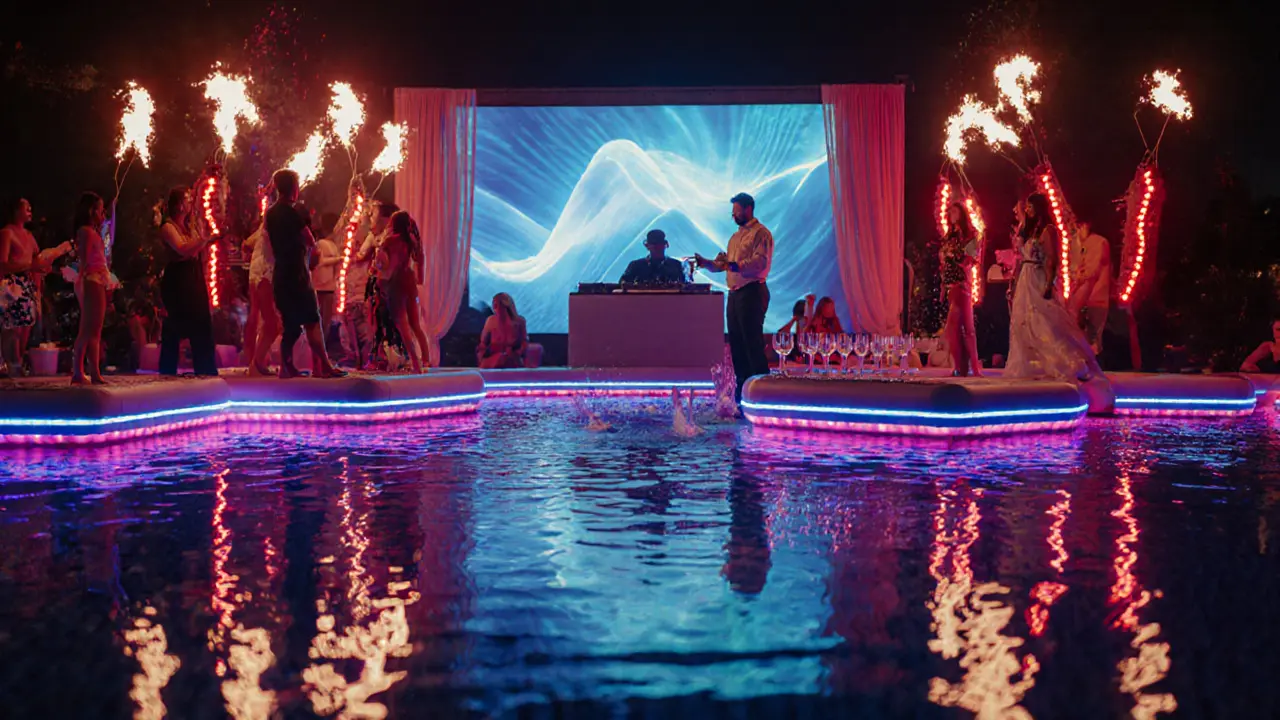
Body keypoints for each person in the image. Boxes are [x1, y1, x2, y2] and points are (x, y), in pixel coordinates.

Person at [1005, 193, 1106, 385]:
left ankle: (1067, 362)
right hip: (1026, 278)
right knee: (1022, 321)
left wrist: (1048, 283)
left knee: (1045, 320)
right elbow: (1020, 260)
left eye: (1030, 206)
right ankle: (1030, 365)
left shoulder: (1048, 230)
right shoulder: (1029, 231)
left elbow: (1052, 259)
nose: (1027, 210)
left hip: (1037, 277)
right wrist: (1014, 282)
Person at [265, 169, 345, 379]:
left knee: (291, 324)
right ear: (293, 187)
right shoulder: (295, 212)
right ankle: (325, 366)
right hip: (297, 275)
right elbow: (311, 243)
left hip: (280, 275)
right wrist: (313, 261)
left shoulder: (271, 213)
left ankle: (286, 367)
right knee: (311, 320)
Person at [695, 192, 773, 404]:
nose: (734, 216)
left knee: (752, 344)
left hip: (752, 291)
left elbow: (759, 263)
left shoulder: (761, 233)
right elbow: (725, 265)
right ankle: (742, 395)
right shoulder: (735, 237)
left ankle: (762, 393)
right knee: (737, 345)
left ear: (748, 208)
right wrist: (706, 263)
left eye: (736, 211)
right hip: (735, 293)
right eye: (733, 212)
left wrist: (733, 265)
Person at [1, 198, 71, 376]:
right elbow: (2, 264)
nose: (30, 211)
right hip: (11, 285)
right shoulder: (7, 233)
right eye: (27, 208)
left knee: (25, 328)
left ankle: (17, 365)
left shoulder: (30, 237)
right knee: (13, 328)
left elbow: (37, 261)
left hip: (27, 285)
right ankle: (12, 366)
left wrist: (49, 266)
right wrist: (27, 266)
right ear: (16, 211)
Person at [157, 187, 218, 377]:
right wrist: (204, 240)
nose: (190, 203)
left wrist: (203, 240)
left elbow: (195, 249)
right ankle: (167, 373)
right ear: (179, 205)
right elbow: (183, 249)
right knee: (173, 327)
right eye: (188, 199)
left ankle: (206, 371)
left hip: (193, 278)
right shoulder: (168, 227)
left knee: (202, 324)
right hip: (178, 281)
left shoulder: (189, 226)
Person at [376, 211, 431, 374]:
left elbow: (381, 264)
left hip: (396, 282)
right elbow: (420, 263)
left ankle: (415, 363)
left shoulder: (389, 241)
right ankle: (426, 360)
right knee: (415, 324)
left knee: (402, 325)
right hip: (410, 280)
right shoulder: (411, 241)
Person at [342, 201, 395, 369]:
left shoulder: (397, 237)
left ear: (387, 219)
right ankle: (377, 359)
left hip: (396, 286)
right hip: (379, 286)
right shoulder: (373, 237)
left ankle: (407, 360)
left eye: (374, 215)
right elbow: (360, 255)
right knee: (375, 323)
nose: (371, 219)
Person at [69, 192, 110, 385]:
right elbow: (84, 259)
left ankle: (94, 371)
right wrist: (82, 281)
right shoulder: (85, 231)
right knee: (87, 328)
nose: (103, 214)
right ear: (92, 211)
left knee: (95, 329)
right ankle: (78, 371)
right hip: (91, 280)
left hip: (98, 280)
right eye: (101, 210)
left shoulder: (93, 232)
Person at [939, 202, 982, 377]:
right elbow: (943, 263)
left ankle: (969, 368)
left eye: (955, 211)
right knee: (962, 328)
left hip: (961, 284)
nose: (951, 214)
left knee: (959, 328)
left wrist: (954, 257)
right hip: (951, 286)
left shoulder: (970, 236)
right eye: (950, 211)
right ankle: (962, 367)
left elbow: (969, 260)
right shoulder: (949, 235)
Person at [1066, 221, 1112, 356]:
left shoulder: (1099, 242)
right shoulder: (1078, 243)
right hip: (1082, 295)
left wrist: (1078, 277)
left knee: (1093, 336)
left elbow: (1092, 269)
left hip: (1095, 296)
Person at [312, 211, 341, 345]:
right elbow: (321, 262)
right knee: (321, 320)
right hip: (321, 287)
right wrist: (339, 259)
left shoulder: (333, 245)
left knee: (326, 320)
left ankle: (323, 349)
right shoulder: (321, 244)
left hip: (329, 287)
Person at [477, 293, 528, 369]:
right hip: (494, 360)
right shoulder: (491, 321)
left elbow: (524, 342)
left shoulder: (520, 321)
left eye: (497, 304)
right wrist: (482, 356)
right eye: (493, 304)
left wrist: (517, 353)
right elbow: (483, 343)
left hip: (513, 360)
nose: (494, 307)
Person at [620, 229, 685, 284]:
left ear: (665, 245)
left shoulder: (676, 265)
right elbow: (622, 285)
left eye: (659, 245)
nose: (657, 249)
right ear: (647, 246)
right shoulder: (635, 266)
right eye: (654, 246)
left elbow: (685, 287)